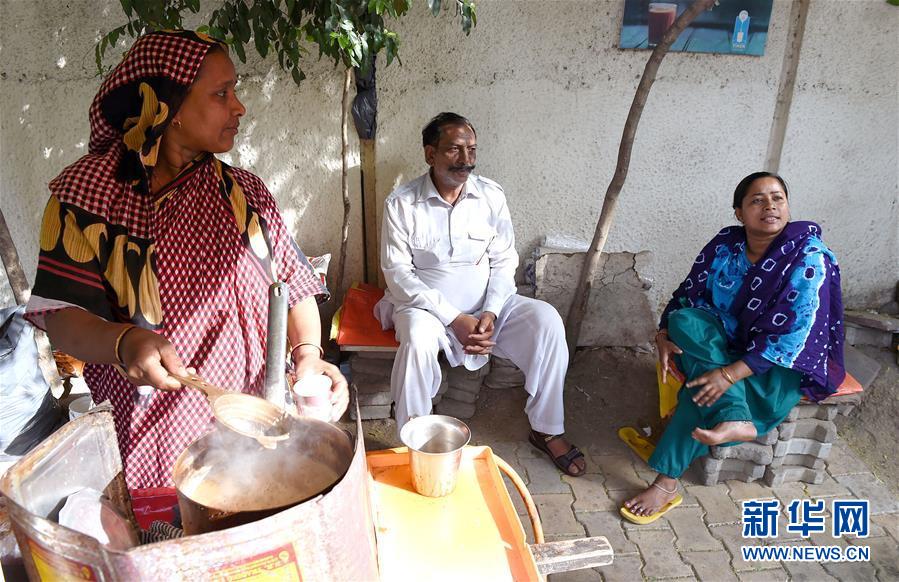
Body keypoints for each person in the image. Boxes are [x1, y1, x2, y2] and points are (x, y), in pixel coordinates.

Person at [24, 31, 348, 489]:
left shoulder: (245, 195)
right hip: (155, 434)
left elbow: (293, 288)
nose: (239, 107)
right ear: (167, 109)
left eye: (235, 91)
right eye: (221, 93)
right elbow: (61, 315)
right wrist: (122, 342)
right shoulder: (89, 198)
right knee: (175, 535)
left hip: (254, 423)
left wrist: (310, 357)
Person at [621, 172, 845, 523]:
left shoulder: (809, 256)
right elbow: (687, 295)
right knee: (684, 323)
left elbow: (796, 336)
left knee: (704, 386)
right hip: (723, 342)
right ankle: (734, 415)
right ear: (739, 212)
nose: (769, 205)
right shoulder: (726, 245)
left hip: (775, 365)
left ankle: (667, 482)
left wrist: (728, 374)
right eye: (757, 200)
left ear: (787, 207)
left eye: (777, 198)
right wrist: (663, 334)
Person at [376, 112, 585, 476]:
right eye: (454, 150)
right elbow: (399, 276)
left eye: (471, 149)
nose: (466, 159)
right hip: (426, 311)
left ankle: (547, 429)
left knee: (547, 320)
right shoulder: (402, 204)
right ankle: (414, 442)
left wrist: (489, 313)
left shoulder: (490, 196)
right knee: (417, 341)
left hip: (487, 308)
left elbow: (505, 262)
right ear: (430, 154)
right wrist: (454, 319)